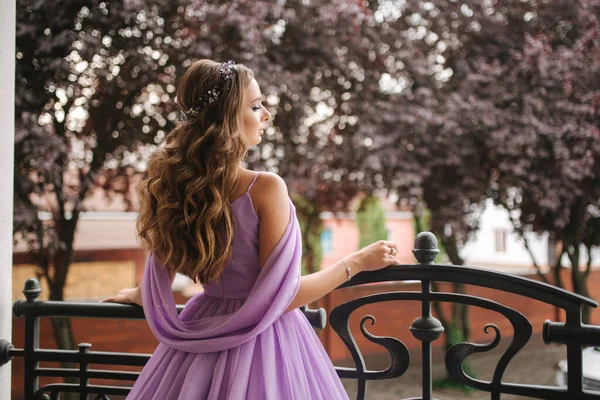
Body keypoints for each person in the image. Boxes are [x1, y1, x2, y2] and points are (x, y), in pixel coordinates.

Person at [103, 59, 400, 399]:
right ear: (227, 118)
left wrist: (138, 295)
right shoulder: (265, 188)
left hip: (199, 343)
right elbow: (282, 296)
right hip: (266, 344)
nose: (266, 115)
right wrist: (357, 263)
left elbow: (160, 274)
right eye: (256, 106)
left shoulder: (179, 190)